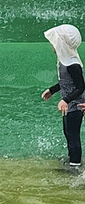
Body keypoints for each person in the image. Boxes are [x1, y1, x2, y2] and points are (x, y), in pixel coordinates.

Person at [41, 24, 84, 170]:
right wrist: (52, 90)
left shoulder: (73, 65)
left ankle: (75, 165)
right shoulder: (64, 61)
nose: (52, 45)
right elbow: (65, 82)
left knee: (73, 134)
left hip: (76, 105)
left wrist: (65, 100)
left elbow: (80, 87)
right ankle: (72, 158)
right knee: (67, 132)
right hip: (69, 104)